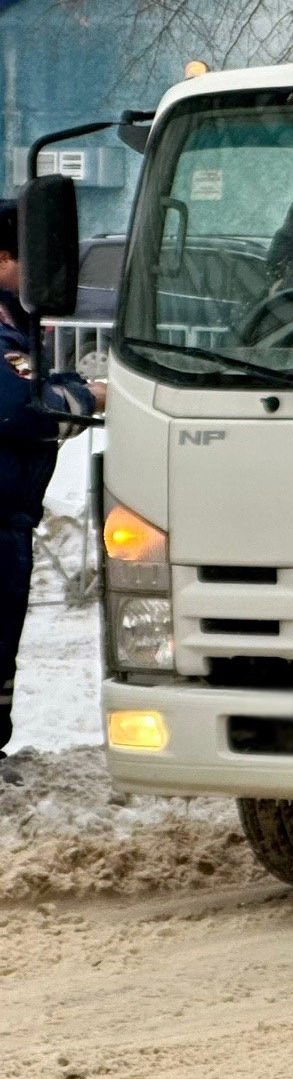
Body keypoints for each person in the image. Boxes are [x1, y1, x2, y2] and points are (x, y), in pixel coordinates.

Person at [0, 201, 102, 761]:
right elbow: (20, 405)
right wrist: (84, 397)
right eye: (29, 261)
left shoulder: (16, 323)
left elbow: (39, 388)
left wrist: (64, 391)